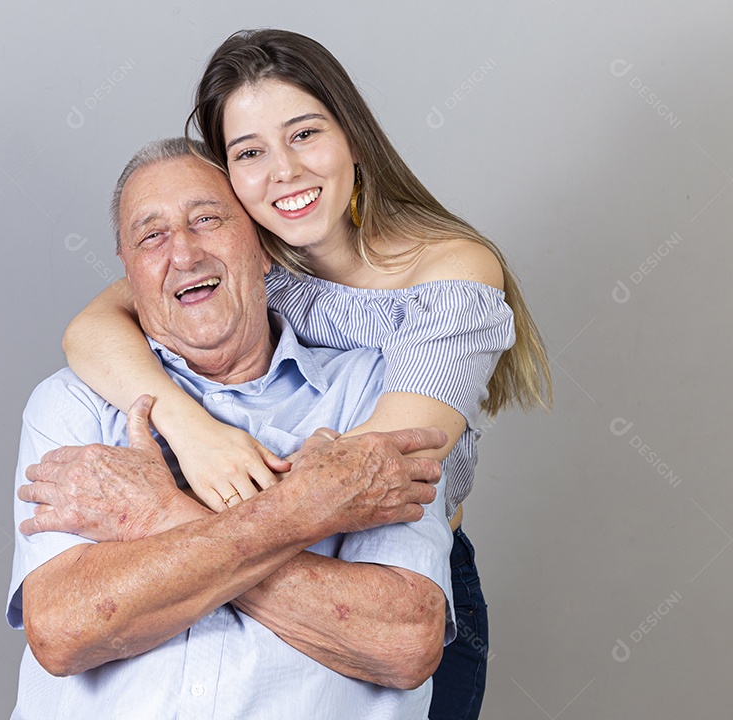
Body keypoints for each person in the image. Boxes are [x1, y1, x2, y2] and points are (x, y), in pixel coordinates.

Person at [62, 29, 553, 719]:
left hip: (387, 578)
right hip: (264, 551)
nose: (283, 172)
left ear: (351, 134)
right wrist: (193, 431)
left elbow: (369, 475)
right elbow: (89, 329)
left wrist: (162, 514)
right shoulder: (256, 262)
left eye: (304, 134)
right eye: (249, 153)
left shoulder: (449, 271)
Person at [7, 138, 456, 719]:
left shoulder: (379, 392)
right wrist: (304, 510)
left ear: (264, 247)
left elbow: (402, 639)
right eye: (151, 236)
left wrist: (156, 516)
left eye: (208, 220)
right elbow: (65, 629)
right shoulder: (72, 403)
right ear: (127, 273)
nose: (184, 254)